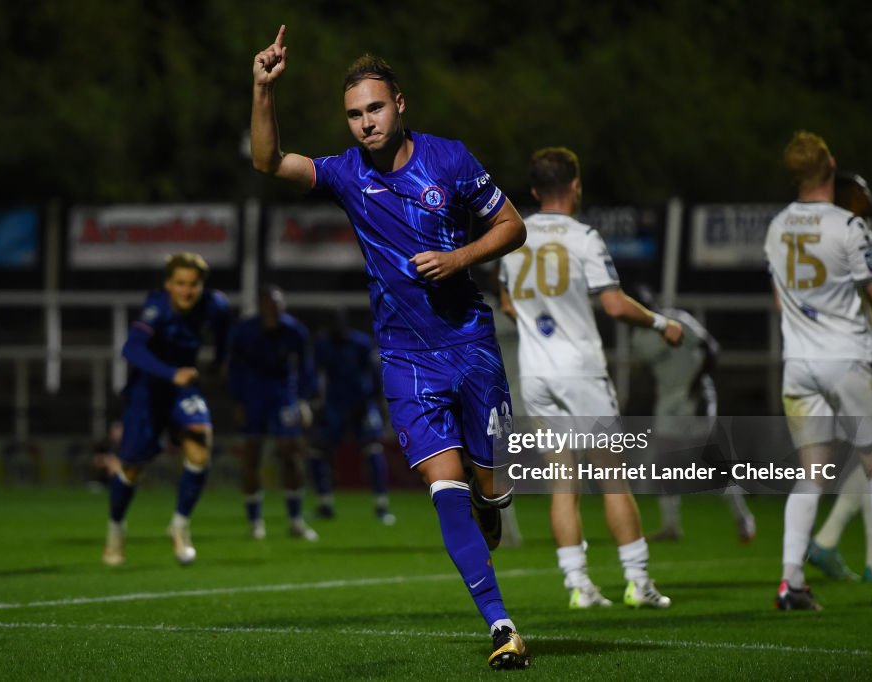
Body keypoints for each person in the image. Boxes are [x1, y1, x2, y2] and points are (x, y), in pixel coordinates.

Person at [251, 25, 530, 669]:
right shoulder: (347, 176)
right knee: (445, 486)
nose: (364, 124)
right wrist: (263, 90)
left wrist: (460, 256)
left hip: (471, 344)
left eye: (374, 108)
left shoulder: (450, 159)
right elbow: (269, 162)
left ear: (399, 103)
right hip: (405, 357)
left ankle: (494, 504)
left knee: (489, 486)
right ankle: (501, 625)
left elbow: (514, 224)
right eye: (353, 115)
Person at [499, 146, 681, 611]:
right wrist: (662, 323)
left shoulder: (511, 233)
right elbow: (615, 305)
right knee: (613, 479)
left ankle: (579, 586)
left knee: (564, 483)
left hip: (536, 373)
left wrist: (539, 319)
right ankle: (638, 583)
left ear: (536, 191)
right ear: (575, 186)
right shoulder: (584, 237)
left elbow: (506, 301)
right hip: (579, 371)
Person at [764, 130, 872, 612]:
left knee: (811, 474)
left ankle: (791, 584)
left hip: (800, 365)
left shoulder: (777, 226)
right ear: (831, 166)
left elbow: (781, 303)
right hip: (847, 360)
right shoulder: (850, 227)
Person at [103, 252, 232, 567]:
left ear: (202, 285)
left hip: (183, 389)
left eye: (193, 284)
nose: (186, 291)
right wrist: (171, 373)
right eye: (180, 284)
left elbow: (224, 335)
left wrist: (217, 362)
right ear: (168, 285)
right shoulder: (156, 308)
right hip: (147, 391)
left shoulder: (216, 305)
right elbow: (131, 348)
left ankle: (179, 525)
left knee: (201, 447)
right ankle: (116, 529)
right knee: (132, 467)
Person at [628, 284, 756, 544]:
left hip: (694, 396)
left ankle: (743, 517)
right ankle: (671, 526)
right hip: (668, 402)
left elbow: (711, 349)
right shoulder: (638, 339)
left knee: (711, 461)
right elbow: (655, 373)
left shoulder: (678, 320)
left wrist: (698, 383)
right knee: (663, 462)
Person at [229, 285, 319, 542]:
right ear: (260, 306)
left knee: (290, 454)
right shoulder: (244, 331)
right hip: (253, 395)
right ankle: (255, 522)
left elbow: (306, 367)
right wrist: (238, 400)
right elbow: (234, 366)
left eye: (277, 306)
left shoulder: (294, 331)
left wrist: (303, 400)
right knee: (252, 455)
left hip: (283, 394)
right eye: (269, 305)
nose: (274, 310)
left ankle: (295, 520)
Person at [310, 308, 395, 525]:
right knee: (320, 452)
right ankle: (325, 503)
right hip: (334, 406)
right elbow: (314, 375)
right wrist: (316, 403)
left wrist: (377, 404)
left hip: (361, 405)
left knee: (373, 451)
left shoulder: (361, 343)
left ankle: (381, 505)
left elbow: (375, 375)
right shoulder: (323, 345)